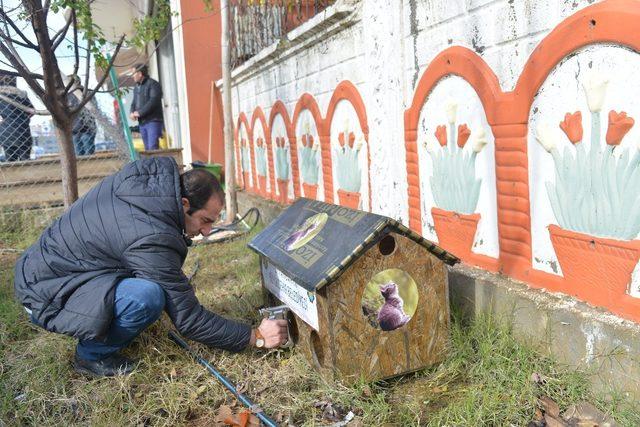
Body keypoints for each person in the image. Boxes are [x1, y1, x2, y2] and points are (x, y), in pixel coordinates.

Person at [13, 157, 288, 377]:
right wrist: (256, 337)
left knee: (160, 287)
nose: (206, 232)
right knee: (148, 297)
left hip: (42, 271)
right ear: (183, 204)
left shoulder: (145, 188)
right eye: (205, 220)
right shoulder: (150, 235)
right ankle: (91, 356)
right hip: (46, 294)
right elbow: (190, 321)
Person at [129, 63, 164, 151]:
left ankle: (156, 164)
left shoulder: (153, 84)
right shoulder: (137, 87)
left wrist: (139, 113)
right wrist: (132, 112)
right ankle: (151, 165)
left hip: (153, 121)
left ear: (140, 74)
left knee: (153, 147)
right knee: (147, 149)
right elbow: (134, 102)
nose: (132, 76)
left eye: (133, 73)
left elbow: (153, 101)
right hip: (142, 122)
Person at [0, 75, 34, 162]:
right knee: (25, 158)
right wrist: (24, 119)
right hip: (22, 128)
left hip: (5, 129)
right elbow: (31, 111)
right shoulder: (21, 93)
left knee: (11, 160)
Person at [68, 91, 97, 156]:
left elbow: (93, 109)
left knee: (88, 151)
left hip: (87, 129)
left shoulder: (86, 93)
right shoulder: (68, 95)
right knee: (78, 153)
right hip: (74, 130)